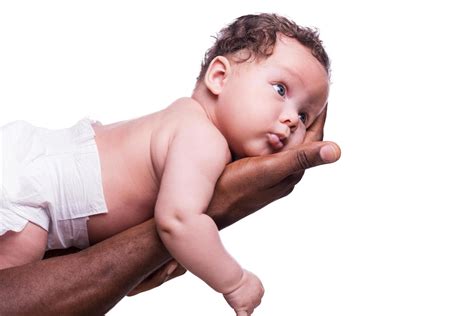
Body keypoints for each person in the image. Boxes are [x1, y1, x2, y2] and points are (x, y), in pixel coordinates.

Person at [0, 13, 332, 316]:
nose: (291, 120)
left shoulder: (184, 118)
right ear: (219, 77)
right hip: (32, 191)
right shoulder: (202, 139)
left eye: (305, 115)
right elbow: (177, 221)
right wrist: (235, 281)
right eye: (280, 89)